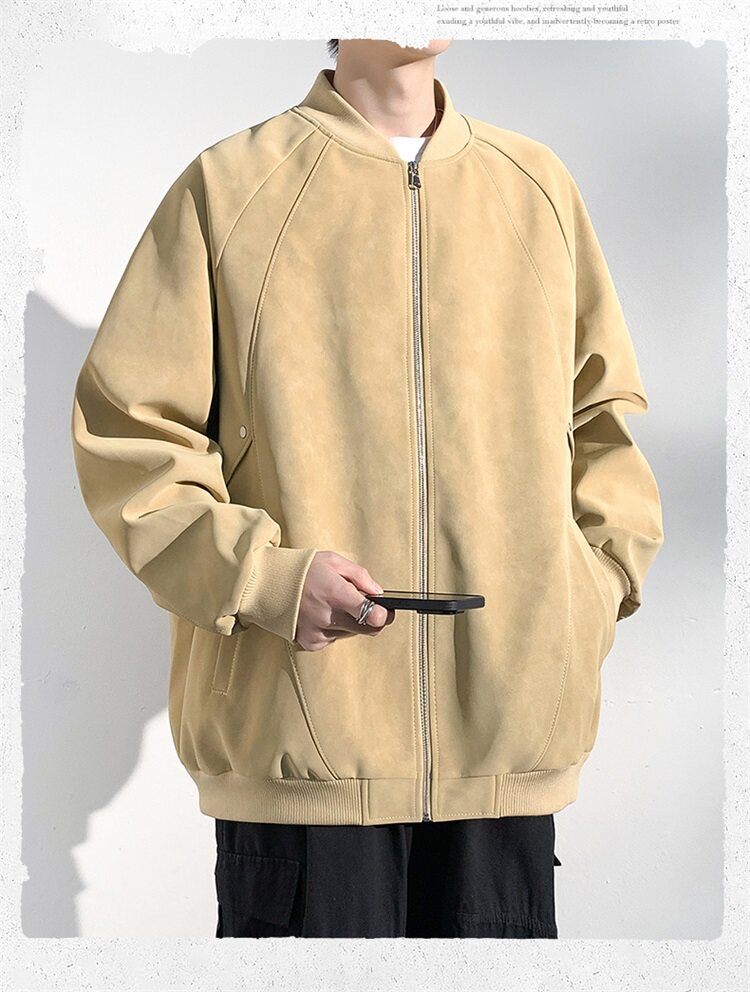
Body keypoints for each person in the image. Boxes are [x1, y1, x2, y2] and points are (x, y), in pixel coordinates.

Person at [70, 38, 664, 938]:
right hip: (303, 750)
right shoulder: (230, 186)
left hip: (507, 749)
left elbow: (602, 422)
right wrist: (264, 579)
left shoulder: (535, 185)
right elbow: (130, 436)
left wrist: (586, 595)